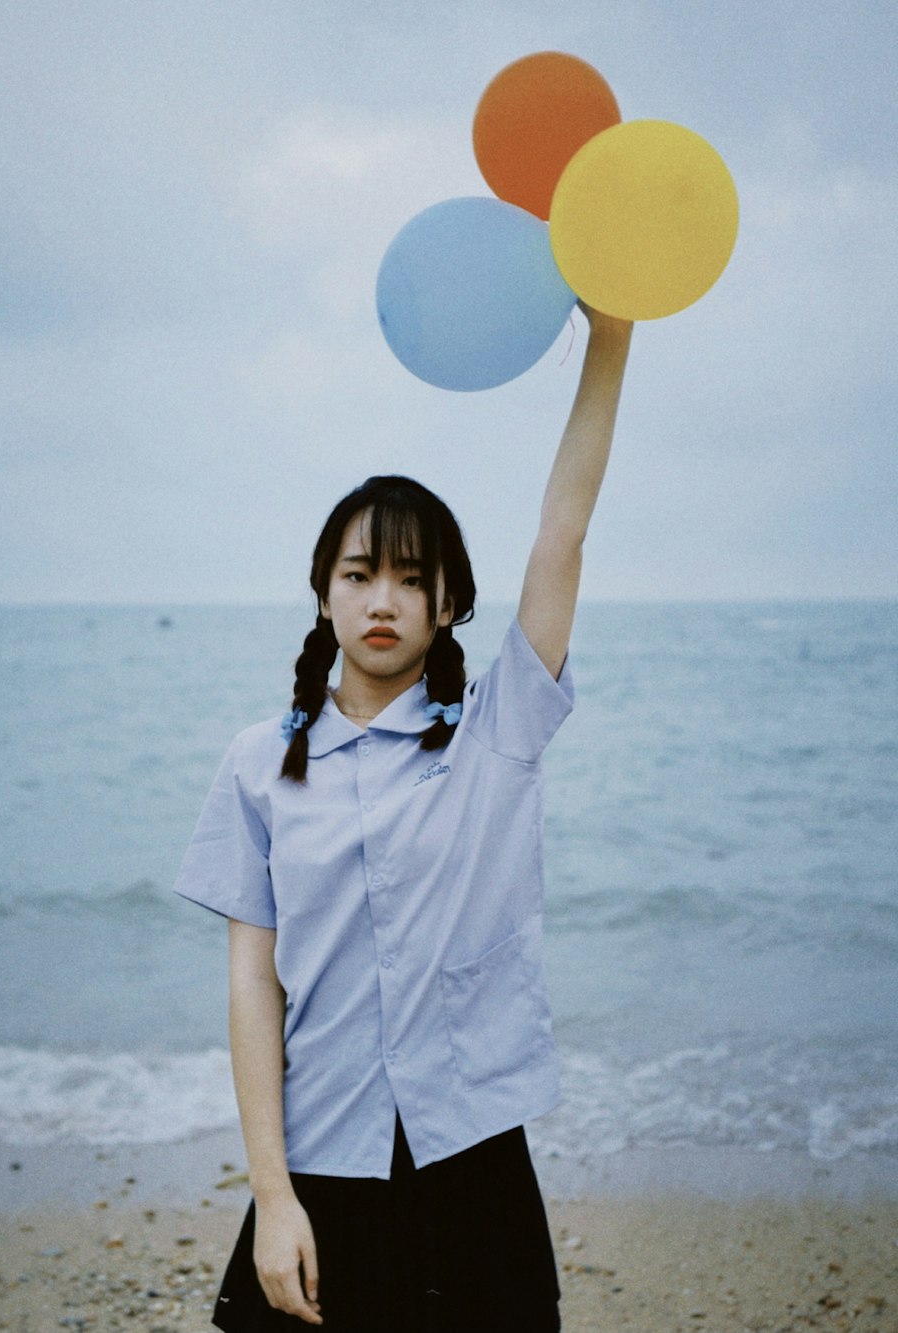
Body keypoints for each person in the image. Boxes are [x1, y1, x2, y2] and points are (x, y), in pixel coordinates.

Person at [175, 306, 633, 1331]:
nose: (382, 597)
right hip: (318, 1164)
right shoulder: (259, 763)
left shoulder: (494, 735)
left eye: (411, 578)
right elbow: (254, 986)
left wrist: (611, 335)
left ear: (446, 607)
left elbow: (563, 528)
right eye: (358, 573)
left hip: (471, 1163)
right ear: (324, 597)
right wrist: (274, 1196)